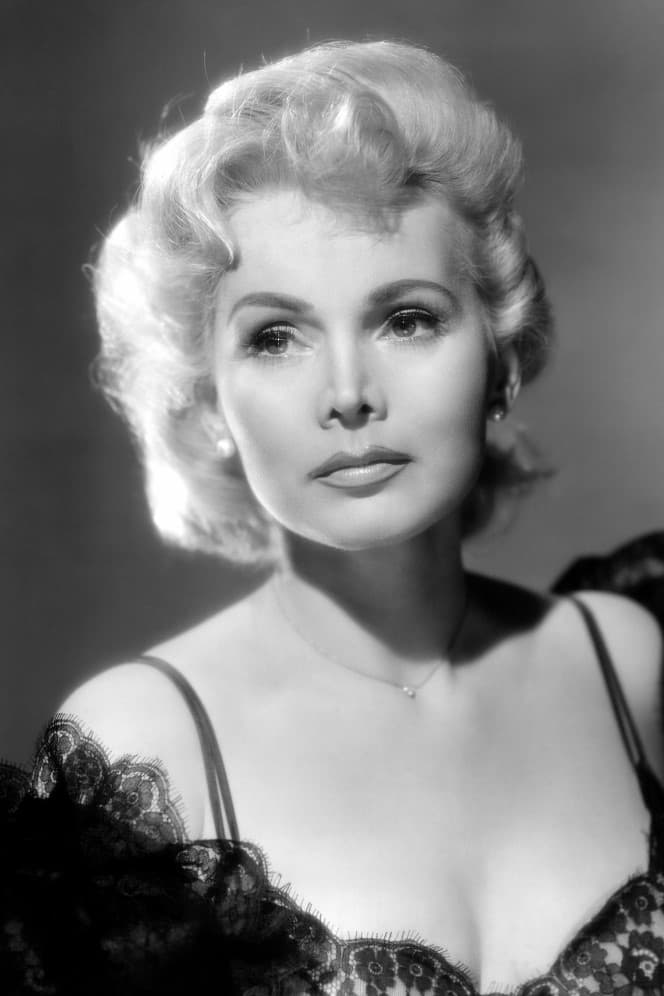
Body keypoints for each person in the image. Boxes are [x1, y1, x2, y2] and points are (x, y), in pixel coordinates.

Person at [2, 39, 664, 996]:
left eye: (407, 319)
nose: (349, 393)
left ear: (502, 358)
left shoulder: (624, 662)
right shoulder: (145, 745)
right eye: (276, 337)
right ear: (207, 400)